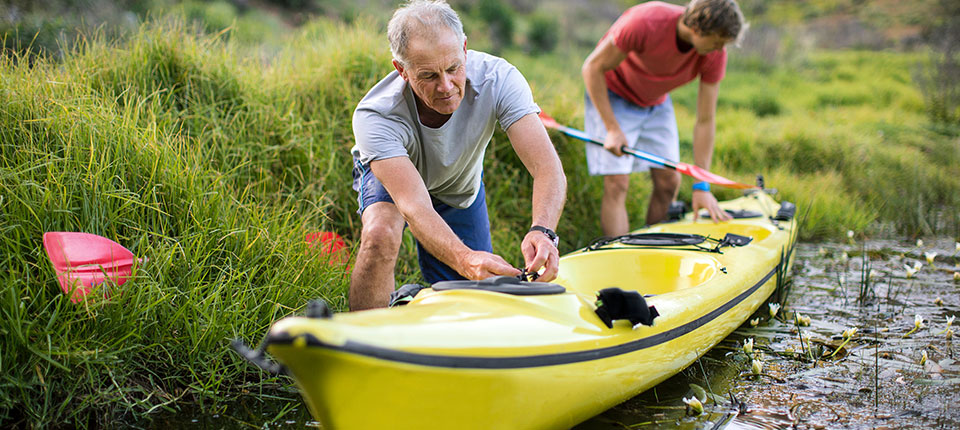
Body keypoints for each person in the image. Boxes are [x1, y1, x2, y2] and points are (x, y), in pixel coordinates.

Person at [349, 0, 567, 311]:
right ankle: (362, 344)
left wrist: (542, 230)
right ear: (402, 70)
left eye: (454, 68)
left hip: (459, 183)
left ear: (464, 49)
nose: (446, 86)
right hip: (399, 178)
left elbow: (547, 168)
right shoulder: (376, 115)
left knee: (474, 298)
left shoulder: (499, 79)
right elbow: (413, 205)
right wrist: (464, 258)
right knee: (380, 235)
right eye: (428, 76)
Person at [581, 0, 747, 236]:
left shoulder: (714, 55)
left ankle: (651, 245)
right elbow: (592, 67)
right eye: (717, 42)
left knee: (669, 182)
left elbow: (705, 120)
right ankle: (617, 257)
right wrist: (612, 128)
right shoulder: (644, 22)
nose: (720, 49)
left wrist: (701, 185)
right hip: (613, 94)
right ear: (699, 28)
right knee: (618, 183)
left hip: (655, 101)